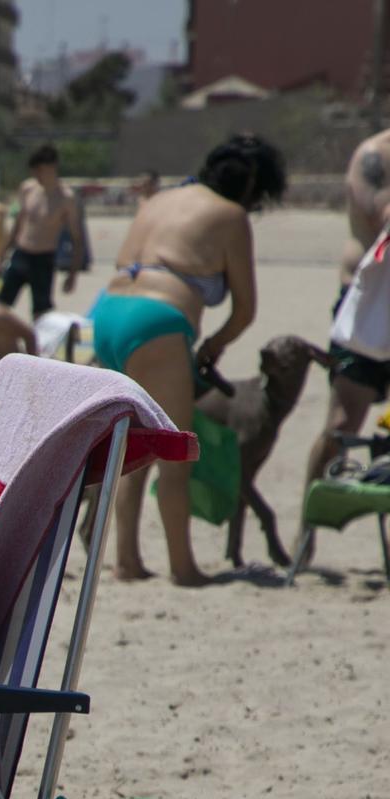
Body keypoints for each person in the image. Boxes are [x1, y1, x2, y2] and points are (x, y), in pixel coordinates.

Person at [99, 134, 281, 586]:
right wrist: (213, 345)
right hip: (157, 322)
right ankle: (183, 567)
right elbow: (244, 311)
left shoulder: (161, 198)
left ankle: (126, 561)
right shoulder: (231, 215)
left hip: (106, 314)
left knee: (131, 445)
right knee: (174, 453)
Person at [310, 130, 390, 529]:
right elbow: (383, 215)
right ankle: (308, 526)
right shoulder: (375, 156)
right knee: (341, 424)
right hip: (366, 308)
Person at [0, 145, 81, 317]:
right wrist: (1, 254)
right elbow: (17, 225)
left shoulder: (66, 198)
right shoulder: (28, 188)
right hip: (21, 254)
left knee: (42, 312)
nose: (37, 176)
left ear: (51, 167)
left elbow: (77, 239)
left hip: (44, 259)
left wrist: (72, 274)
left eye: (40, 171)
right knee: (0, 304)